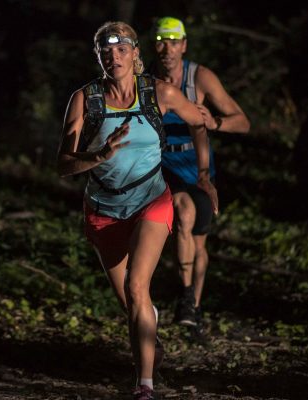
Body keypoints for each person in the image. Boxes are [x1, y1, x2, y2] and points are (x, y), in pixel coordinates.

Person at [57, 21, 216, 400]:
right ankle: (150, 336)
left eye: (122, 49)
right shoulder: (86, 99)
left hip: (151, 200)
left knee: (136, 285)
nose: (114, 56)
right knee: (131, 303)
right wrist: (99, 154)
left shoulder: (159, 93)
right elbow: (64, 164)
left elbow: (200, 121)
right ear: (99, 57)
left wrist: (206, 162)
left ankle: (144, 386)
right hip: (103, 209)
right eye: (106, 51)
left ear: (135, 53)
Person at [149, 17, 250, 330]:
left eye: (174, 42)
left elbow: (243, 122)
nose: (168, 49)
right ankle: (185, 295)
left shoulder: (200, 77)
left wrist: (216, 122)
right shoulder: (147, 80)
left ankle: (192, 306)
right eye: (161, 42)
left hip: (199, 166)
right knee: (183, 214)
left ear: (184, 45)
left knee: (199, 241)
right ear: (155, 45)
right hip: (164, 166)